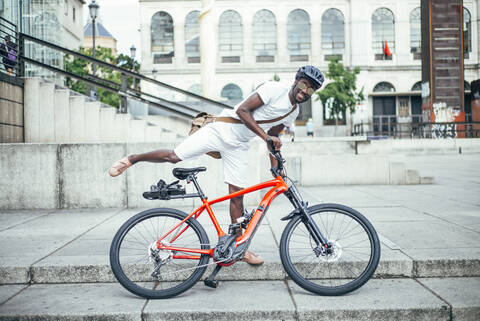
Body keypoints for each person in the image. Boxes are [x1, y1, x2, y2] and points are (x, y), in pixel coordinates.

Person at [108, 65, 324, 265]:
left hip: (238, 145)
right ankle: (132, 159)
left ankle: (239, 248)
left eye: (311, 90)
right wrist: (264, 138)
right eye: (304, 85)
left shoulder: (293, 112)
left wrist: (276, 168)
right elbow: (243, 111)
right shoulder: (274, 89)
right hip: (219, 130)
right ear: (296, 80)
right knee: (175, 156)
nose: (305, 91)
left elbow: (272, 138)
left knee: (236, 195)